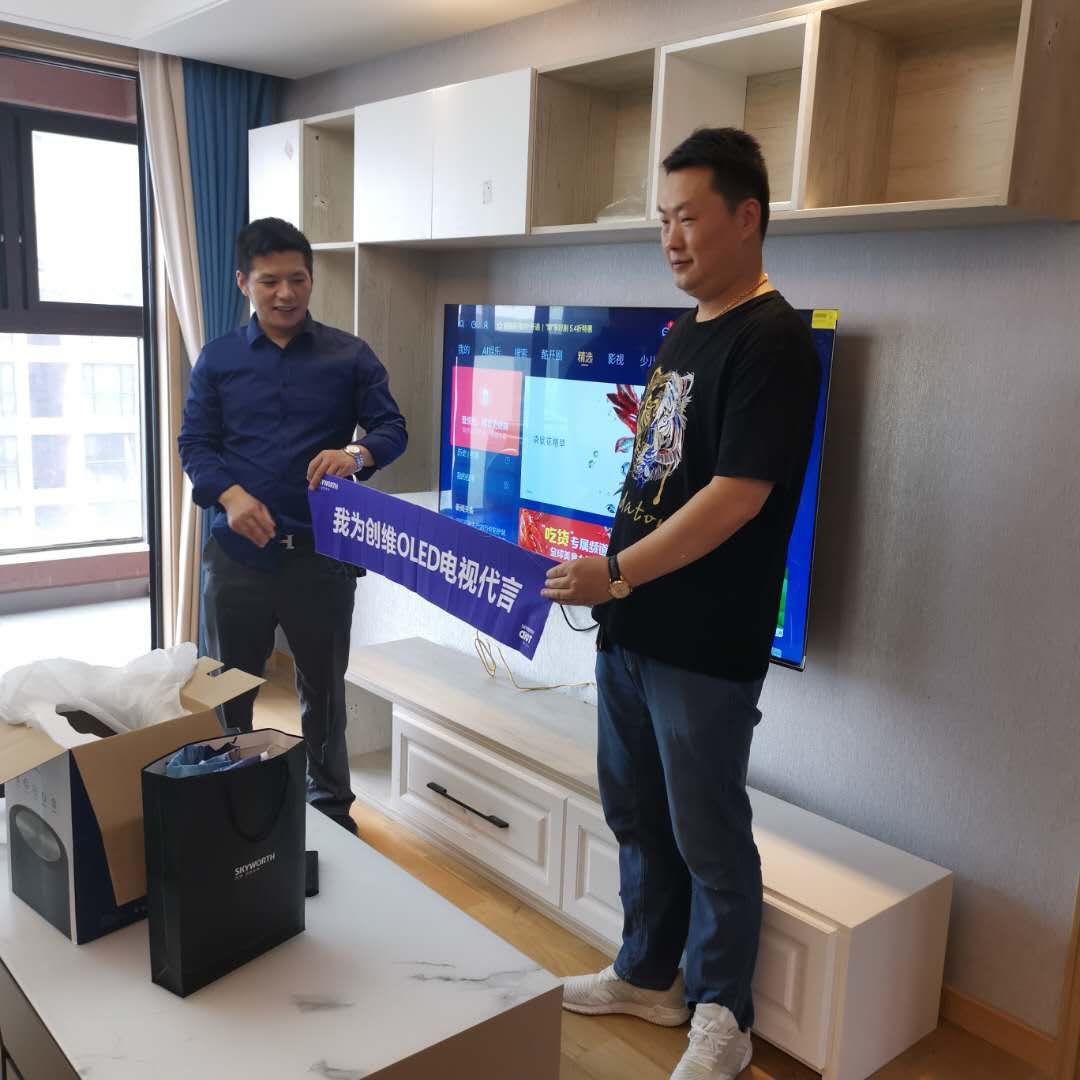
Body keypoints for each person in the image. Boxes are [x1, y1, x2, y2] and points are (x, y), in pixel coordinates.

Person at [542, 129, 821, 1079]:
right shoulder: (685, 330)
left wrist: (616, 574)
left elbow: (735, 497)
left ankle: (723, 1015)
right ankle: (648, 975)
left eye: (688, 217)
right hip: (632, 629)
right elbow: (660, 477)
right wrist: (615, 586)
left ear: (747, 217)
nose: (671, 238)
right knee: (637, 816)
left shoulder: (773, 340)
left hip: (704, 642)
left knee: (709, 835)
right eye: (662, 220)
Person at [179, 217, 407, 835]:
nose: (286, 293)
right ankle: (229, 806)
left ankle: (330, 811)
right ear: (243, 283)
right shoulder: (218, 359)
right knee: (229, 692)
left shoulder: (349, 355)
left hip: (320, 556)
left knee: (325, 694)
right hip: (237, 556)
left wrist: (356, 454)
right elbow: (195, 444)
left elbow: (392, 429)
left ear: (311, 279)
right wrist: (229, 496)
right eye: (270, 281)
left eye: (298, 279)